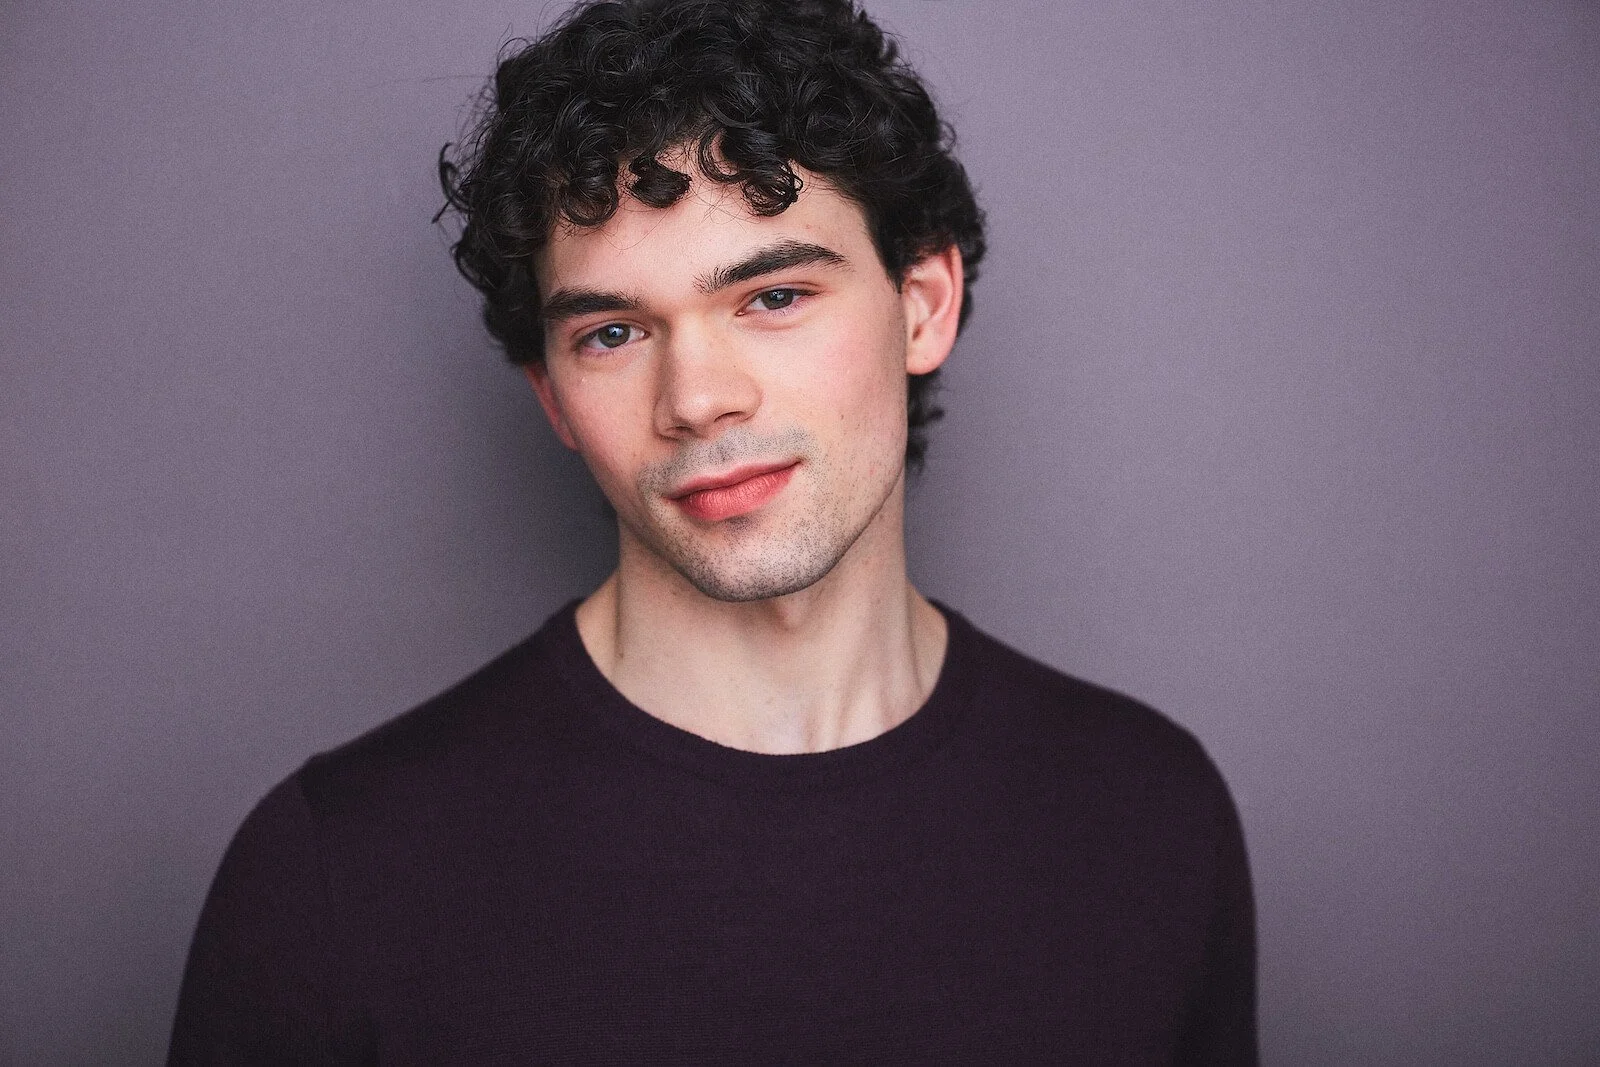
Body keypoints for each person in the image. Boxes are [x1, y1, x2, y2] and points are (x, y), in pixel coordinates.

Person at [169, 0, 1257, 1062]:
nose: (696, 396)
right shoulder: (338, 871)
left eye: (772, 297)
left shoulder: (1147, 815)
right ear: (552, 395)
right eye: (610, 331)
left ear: (922, 304)